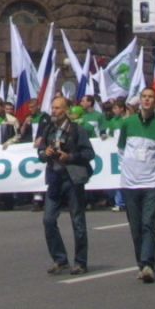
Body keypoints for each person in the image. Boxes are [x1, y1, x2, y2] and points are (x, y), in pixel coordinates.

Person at [114, 89, 155, 281]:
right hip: (129, 184)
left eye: (150, 97)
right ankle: (141, 263)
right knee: (136, 226)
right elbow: (121, 149)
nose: (147, 100)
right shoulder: (128, 124)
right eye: (144, 97)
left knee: (149, 224)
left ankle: (148, 264)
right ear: (140, 101)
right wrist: (128, 168)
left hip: (150, 184)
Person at [35, 94, 92, 274]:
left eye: (58, 108)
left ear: (66, 110)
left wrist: (71, 157)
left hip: (72, 179)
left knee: (77, 221)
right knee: (48, 220)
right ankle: (60, 259)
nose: (54, 111)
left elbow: (89, 154)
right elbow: (41, 152)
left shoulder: (77, 130)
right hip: (55, 178)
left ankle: (80, 262)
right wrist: (46, 153)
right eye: (53, 108)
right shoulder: (48, 129)